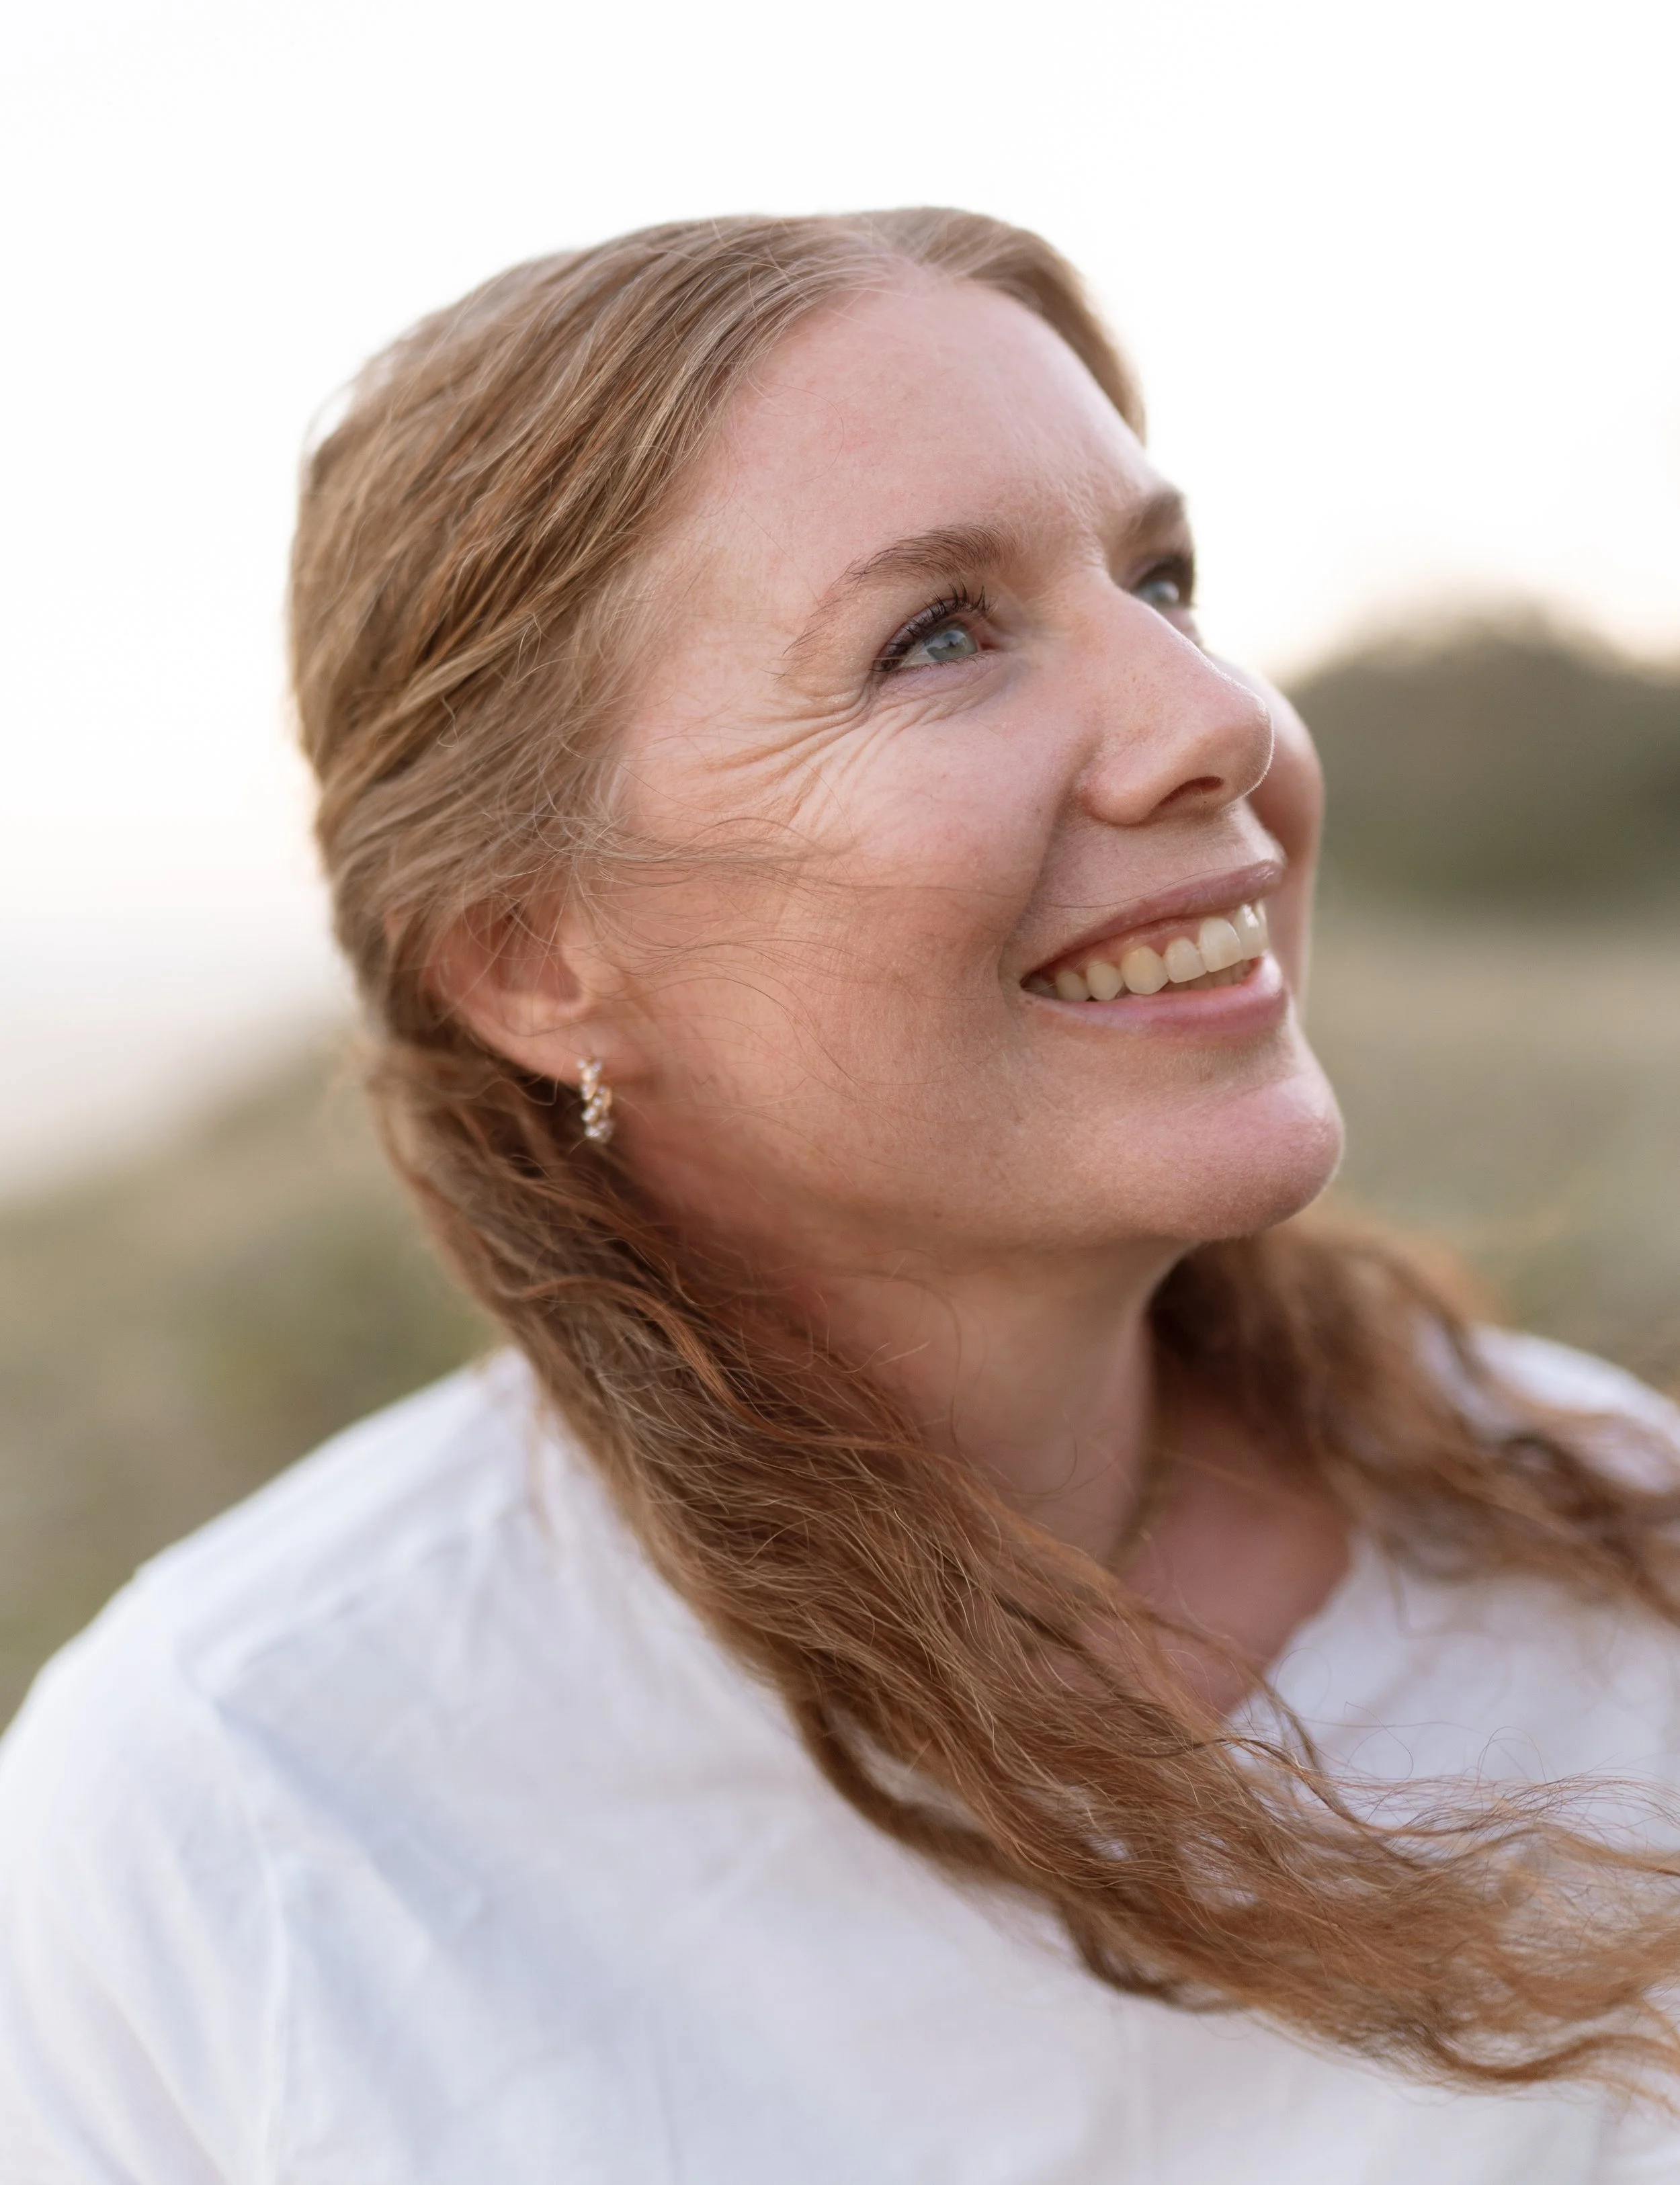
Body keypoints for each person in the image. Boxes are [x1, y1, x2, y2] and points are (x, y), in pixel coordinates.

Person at [4, 209, 1680, 2183]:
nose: (1215, 716)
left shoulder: (1607, 1552)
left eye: (1163, 578)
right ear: (536, 957)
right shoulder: (245, 1805)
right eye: (937, 635)